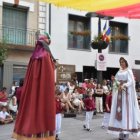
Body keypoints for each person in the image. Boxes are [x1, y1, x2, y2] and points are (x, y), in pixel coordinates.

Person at [12, 32, 56, 140]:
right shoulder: (45, 57)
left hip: (33, 91)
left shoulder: (33, 58)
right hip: (43, 90)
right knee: (41, 106)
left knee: (31, 107)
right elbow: (48, 80)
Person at [108, 57, 140, 140]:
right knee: (119, 111)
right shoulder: (119, 71)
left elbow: (131, 82)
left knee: (126, 112)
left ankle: (126, 133)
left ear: (126, 62)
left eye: (123, 62)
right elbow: (117, 82)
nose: (121, 63)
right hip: (119, 94)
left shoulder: (128, 71)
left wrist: (124, 85)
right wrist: (115, 81)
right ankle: (120, 133)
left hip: (126, 95)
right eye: (120, 62)